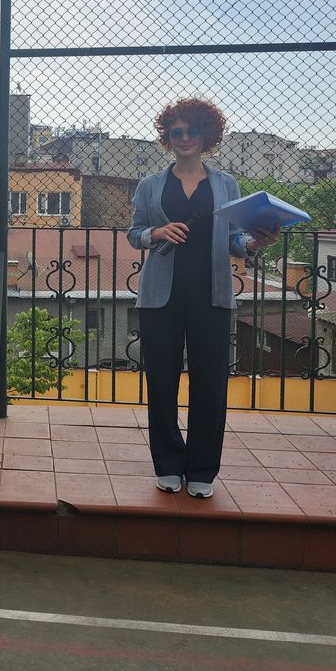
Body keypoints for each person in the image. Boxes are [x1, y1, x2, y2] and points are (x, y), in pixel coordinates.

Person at [127, 100, 278, 499]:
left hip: (212, 295)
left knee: (210, 385)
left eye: (192, 130)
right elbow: (134, 233)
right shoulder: (150, 185)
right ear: (167, 137)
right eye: (176, 132)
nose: (185, 138)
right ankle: (167, 465)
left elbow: (234, 240)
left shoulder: (227, 185)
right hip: (160, 298)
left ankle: (202, 469)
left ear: (207, 135)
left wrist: (253, 243)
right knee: (161, 384)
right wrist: (155, 233)